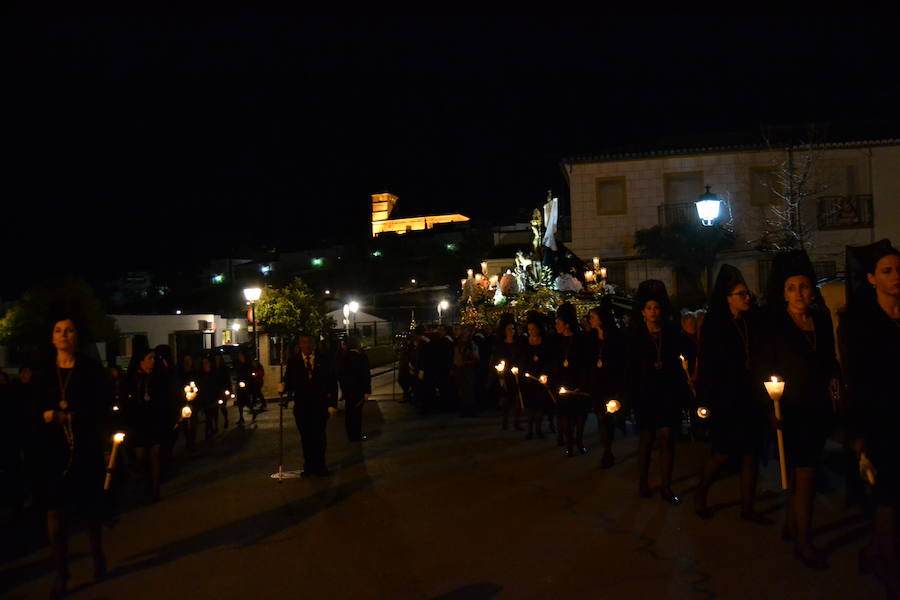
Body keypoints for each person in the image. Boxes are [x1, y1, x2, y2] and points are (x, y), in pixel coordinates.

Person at [761, 250, 839, 570]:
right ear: (783, 293)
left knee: (800, 473)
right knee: (804, 472)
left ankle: (793, 524)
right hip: (789, 409)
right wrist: (768, 407)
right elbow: (762, 368)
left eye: (804, 286)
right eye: (792, 288)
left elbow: (829, 358)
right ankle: (804, 540)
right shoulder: (775, 325)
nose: (799, 294)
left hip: (817, 407)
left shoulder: (820, 319)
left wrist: (835, 378)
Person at [36, 314, 111, 597]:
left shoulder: (90, 369)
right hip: (53, 451)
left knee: (89, 510)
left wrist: (73, 417)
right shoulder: (44, 371)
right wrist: (46, 416)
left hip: (84, 448)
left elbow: (101, 404)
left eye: (69, 330)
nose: (64, 334)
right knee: (55, 514)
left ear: (77, 336)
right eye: (58, 330)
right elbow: (33, 406)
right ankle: (61, 573)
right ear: (52, 337)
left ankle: (97, 555)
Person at [842, 240, 900, 593]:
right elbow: (858, 381)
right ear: (872, 279)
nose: (896, 277)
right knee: (889, 495)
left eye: (899, 269)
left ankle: (873, 551)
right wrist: (858, 432)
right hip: (883, 422)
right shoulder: (862, 326)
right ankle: (888, 564)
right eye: (887, 271)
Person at [693, 265, 770, 523]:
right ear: (727, 297)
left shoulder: (751, 322)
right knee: (723, 452)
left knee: (751, 453)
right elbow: (707, 366)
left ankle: (748, 508)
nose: (747, 297)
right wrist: (707, 401)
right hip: (727, 399)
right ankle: (701, 491)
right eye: (741, 294)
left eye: (747, 293)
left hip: (751, 398)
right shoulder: (716, 327)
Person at [625, 280, 691, 504]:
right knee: (647, 438)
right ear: (643, 312)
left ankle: (665, 484)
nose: (654, 312)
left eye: (657, 308)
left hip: (668, 393)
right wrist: (631, 398)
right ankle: (643, 481)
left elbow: (685, 353)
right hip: (646, 394)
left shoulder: (671, 333)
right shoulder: (634, 336)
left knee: (667, 437)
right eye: (650, 308)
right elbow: (631, 369)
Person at [284, 334, 338, 476]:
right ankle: (309, 466)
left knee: (319, 437)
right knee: (306, 437)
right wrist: (283, 387)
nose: (307, 345)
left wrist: (332, 403)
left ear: (314, 344)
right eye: (303, 342)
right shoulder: (293, 362)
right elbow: (288, 381)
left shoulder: (324, 361)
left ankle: (320, 466)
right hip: (302, 407)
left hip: (320, 406)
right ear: (299, 345)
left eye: (309, 342)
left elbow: (332, 383)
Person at [126, 349, 172, 503]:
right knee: (140, 456)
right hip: (139, 423)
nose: (152, 361)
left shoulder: (157, 377)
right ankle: (145, 483)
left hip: (155, 421)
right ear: (141, 361)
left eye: (153, 358)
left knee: (155, 455)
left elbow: (165, 397)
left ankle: (155, 489)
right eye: (149, 358)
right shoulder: (133, 379)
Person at [586, 302, 625, 469]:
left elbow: (621, 362)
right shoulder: (591, 337)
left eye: (593, 317)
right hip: (598, 385)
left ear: (602, 319)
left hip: (611, 383)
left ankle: (608, 448)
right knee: (602, 418)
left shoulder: (616, 337)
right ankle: (607, 450)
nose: (590, 320)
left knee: (608, 417)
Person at [554, 302, 590, 457]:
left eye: (558, 323)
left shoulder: (581, 340)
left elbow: (585, 363)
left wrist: (581, 385)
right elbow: (554, 363)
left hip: (578, 383)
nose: (556, 326)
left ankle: (579, 441)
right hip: (563, 383)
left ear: (567, 325)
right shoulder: (557, 341)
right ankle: (569, 443)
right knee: (566, 415)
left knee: (580, 415)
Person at [520, 313, 554, 439]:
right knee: (530, 406)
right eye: (529, 329)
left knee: (540, 405)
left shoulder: (545, 343)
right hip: (528, 379)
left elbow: (549, 359)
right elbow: (522, 359)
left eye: (533, 329)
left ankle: (538, 429)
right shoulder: (525, 342)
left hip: (540, 378)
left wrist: (545, 373)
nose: (531, 331)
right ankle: (529, 429)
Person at [490, 314, 523, 431]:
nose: (511, 331)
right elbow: (496, 360)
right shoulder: (500, 345)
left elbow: (521, 358)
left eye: (513, 328)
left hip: (516, 375)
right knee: (505, 400)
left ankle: (517, 422)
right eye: (509, 329)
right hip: (505, 376)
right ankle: (505, 422)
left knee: (517, 399)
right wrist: (499, 370)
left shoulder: (518, 343)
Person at [338, 333, 371, 442]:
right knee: (357, 414)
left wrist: (343, 389)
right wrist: (367, 391)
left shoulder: (343, 358)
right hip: (359, 390)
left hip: (348, 390)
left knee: (349, 412)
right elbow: (366, 375)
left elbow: (341, 375)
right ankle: (356, 435)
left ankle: (350, 434)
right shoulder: (362, 357)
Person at [452, 327, 481, 417]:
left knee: (469, 390)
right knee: (461, 389)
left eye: (466, 332)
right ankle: (464, 409)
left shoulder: (471, 344)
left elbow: (476, 358)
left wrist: (467, 361)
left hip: (468, 369)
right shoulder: (457, 343)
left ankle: (470, 410)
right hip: (459, 368)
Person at [177, 356, 198, 450]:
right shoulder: (180, 374)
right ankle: (188, 441)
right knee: (185, 422)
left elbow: (198, 386)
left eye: (189, 360)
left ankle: (192, 441)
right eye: (186, 360)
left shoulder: (195, 373)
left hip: (193, 402)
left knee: (193, 421)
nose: (187, 362)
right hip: (183, 401)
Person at [196, 357, 218, 439]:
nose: (206, 364)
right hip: (205, 399)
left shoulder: (213, 373)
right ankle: (208, 432)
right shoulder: (200, 375)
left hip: (213, 398)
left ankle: (213, 428)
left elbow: (216, 386)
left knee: (213, 414)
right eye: (204, 363)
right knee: (208, 416)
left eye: (207, 362)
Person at [234, 351, 253, 425]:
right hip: (240, 386)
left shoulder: (247, 365)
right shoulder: (239, 365)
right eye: (239, 356)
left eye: (241, 356)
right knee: (240, 403)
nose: (240, 358)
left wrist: (247, 382)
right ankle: (241, 418)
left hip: (246, 386)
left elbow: (249, 375)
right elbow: (238, 374)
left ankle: (253, 411)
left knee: (247, 402)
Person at [213, 354, 232, 429]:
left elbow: (227, 380)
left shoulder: (224, 368)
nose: (217, 360)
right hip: (215, 391)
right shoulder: (213, 368)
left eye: (218, 358)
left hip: (222, 390)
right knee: (215, 409)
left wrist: (229, 390)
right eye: (215, 358)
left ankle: (226, 419)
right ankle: (216, 425)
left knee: (222, 407)